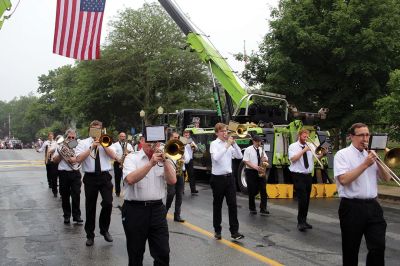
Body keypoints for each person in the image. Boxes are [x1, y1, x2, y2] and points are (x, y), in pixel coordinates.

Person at [334, 123, 391, 266]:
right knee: (350, 249)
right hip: (351, 207)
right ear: (351, 137)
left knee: (378, 247)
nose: (365, 138)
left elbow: (387, 178)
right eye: (361, 135)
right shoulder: (342, 155)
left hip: (373, 206)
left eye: (367, 135)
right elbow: (344, 180)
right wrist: (365, 164)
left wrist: (378, 161)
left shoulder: (371, 154)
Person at [122, 135, 176, 265]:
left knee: (163, 252)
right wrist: (151, 163)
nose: (152, 144)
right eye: (149, 141)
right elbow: (130, 179)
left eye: (156, 141)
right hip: (135, 210)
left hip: (157, 210)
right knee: (135, 254)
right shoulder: (132, 158)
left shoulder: (164, 158)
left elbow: (172, 180)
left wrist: (166, 162)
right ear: (141, 141)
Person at [76, 120, 117, 247]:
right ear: (90, 129)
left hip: (104, 176)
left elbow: (114, 156)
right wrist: (92, 147)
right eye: (93, 129)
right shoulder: (82, 143)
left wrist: (103, 144)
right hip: (90, 177)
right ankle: (90, 235)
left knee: (108, 203)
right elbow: (78, 159)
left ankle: (104, 230)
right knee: (90, 207)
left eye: (98, 129)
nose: (95, 131)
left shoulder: (107, 140)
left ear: (101, 129)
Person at [209, 122, 244, 240]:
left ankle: (234, 232)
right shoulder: (214, 144)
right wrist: (227, 145)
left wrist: (234, 144)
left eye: (226, 131)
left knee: (233, 205)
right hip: (217, 179)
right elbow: (216, 158)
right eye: (223, 131)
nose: (225, 133)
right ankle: (217, 230)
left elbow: (239, 157)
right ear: (217, 133)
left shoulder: (229, 145)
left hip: (229, 178)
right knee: (217, 205)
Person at [288, 129, 322, 232]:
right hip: (298, 175)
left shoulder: (310, 146)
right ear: (299, 136)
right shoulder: (293, 146)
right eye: (304, 135)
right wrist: (304, 150)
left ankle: (304, 221)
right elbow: (293, 159)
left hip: (308, 176)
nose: (306, 137)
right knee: (302, 199)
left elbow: (316, 158)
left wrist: (323, 154)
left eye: (307, 135)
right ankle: (300, 222)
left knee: (307, 199)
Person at [52, 128, 83, 225]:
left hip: (75, 172)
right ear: (66, 137)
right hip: (63, 173)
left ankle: (77, 216)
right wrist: (62, 154)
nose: (71, 139)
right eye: (69, 137)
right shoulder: (60, 146)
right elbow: (55, 160)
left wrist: (75, 159)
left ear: (75, 137)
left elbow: (82, 157)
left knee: (76, 195)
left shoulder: (78, 146)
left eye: (73, 137)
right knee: (65, 196)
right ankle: (66, 216)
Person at [166, 131, 189, 223]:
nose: (177, 139)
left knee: (179, 194)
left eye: (178, 137)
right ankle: (165, 212)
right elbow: (167, 158)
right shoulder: (167, 146)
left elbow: (187, 159)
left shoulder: (182, 146)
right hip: (171, 172)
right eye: (175, 138)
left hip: (180, 172)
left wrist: (183, 158)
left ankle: (177, 215)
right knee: (171, 193)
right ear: (170, 138)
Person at [243, 134, 269, 216]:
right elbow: (246, 161)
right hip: (251, 172)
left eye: (260, 141)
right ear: (254, 141)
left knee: (263, 190)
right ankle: (252, 208)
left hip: (260, 171)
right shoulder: (248, 149)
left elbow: (266, 158)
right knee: (251, 191)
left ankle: (263, 208)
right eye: (257, 141)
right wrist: (256, 167)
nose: (259, 143)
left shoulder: (261, 149)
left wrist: (264, 159)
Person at [111, 132, 133, 197]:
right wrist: (119, 160)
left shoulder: (128, 145)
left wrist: (128, 153)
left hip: (126, 164)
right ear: (119, 137)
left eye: (124, 136)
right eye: (121, 136)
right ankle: (117, 192)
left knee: (126, 178)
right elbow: (113, 153)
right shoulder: (114, 145)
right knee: (117, 178)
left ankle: (126, 192)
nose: (123, 138)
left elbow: (133, 152)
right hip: (117, 163)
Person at [37, 132, 59, 197]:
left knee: (54, 173)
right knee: (49, 172)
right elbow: (42, 149)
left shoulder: (55, 143)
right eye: (49, 136)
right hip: (48, 160)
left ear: (53, 136)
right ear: (48, 136)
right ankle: (50, 182)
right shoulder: (45, 143)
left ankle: (54, 185)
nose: (50, 137)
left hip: (54, 160)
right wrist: (38, 150)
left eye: (52, 136)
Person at [183, 129, 198, 195]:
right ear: (183, 135)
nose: (187, 136)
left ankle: (193, 189)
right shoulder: (181, 141)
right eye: (185, 135)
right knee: (182, 175)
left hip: (190, 160)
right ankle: (181, 190)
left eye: (188, 135)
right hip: (182, 160)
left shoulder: (191, 141)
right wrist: (185, 143)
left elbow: (196, 149)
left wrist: (193, 146)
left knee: (191, 175)